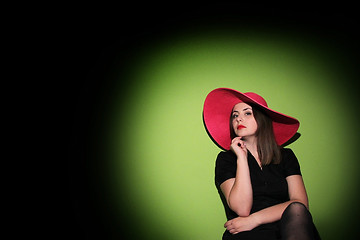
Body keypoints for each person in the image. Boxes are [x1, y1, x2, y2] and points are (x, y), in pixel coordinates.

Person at [203, 88, 320, 240]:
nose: (239, 119)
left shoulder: (286, 156)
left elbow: (300, 203)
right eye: (235, 115)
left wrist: (254, 219)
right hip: (245, 232)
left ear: (262, 118)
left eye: (247, 113)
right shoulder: (226, 159)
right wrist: (242, 158)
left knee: (297, 215)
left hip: (287, 227)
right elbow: (242, 209)